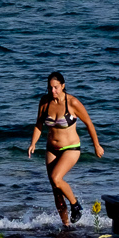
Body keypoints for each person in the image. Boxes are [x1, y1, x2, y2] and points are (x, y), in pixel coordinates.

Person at [26, 71, 103, 228]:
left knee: (56, 178)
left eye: (55, 87)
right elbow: (39, 124)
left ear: (63, 86)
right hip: (51, 149)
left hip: (71, 148)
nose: (52, 91)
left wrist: (96, 145)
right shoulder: (45, 102)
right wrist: (33, 143)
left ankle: (75, 205)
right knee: (55, 188)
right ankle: (66, 225)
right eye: (50, 88)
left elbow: (89, 122)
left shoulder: (72, 103)